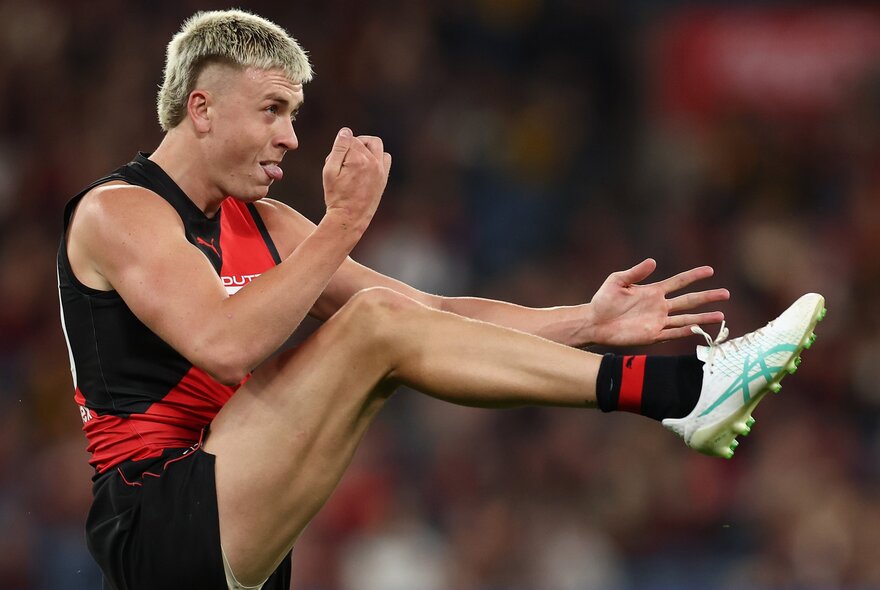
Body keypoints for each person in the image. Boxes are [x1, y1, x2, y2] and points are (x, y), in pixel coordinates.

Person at [56, 9, 825, 590]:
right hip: (154, 516)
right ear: (200, 109)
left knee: (387, 325)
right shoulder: (116, 212)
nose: (290, 137)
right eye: (271, 110)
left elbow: (431, 317)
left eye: (292, 113)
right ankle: (683, 393)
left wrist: (586, 322)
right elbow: (224, 344)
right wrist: (344, 224)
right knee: (371, 326)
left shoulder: (266, 226)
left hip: (233, 511)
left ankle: (681, 394)